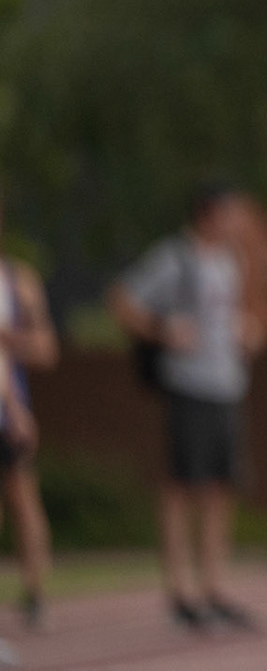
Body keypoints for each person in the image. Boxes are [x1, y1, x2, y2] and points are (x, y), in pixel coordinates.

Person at [109, 183, 262, 632]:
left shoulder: (232, 262)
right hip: (189, 386)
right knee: (181, 486)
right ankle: (179, 592)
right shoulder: (174, 257)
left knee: (220, 486)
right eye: (231, 214)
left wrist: (246, 330)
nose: (237, 224)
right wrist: (163, 329)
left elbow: (230, 315)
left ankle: (214, 587)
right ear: (209, 214)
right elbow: (122, 300)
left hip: (226, 385)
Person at [0, 193, 55, 630]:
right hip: (10, 404)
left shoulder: (19, 281)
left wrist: (11, 339)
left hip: (8, 406)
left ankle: (35, 591)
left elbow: (44, 349)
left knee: (22, 496)